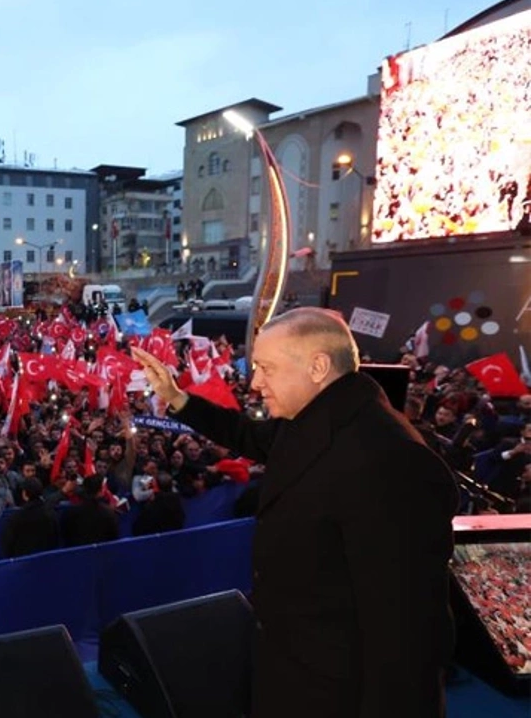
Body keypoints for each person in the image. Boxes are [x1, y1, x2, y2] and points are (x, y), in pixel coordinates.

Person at [133, 307, 457, 718]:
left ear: (318, 366)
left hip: (336, 695)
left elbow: (407, 634)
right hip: (290, 671)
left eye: (266, 368)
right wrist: (178, 398)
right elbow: (248, 435)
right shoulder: (317, 415)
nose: (255, 383)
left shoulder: (390, 460)